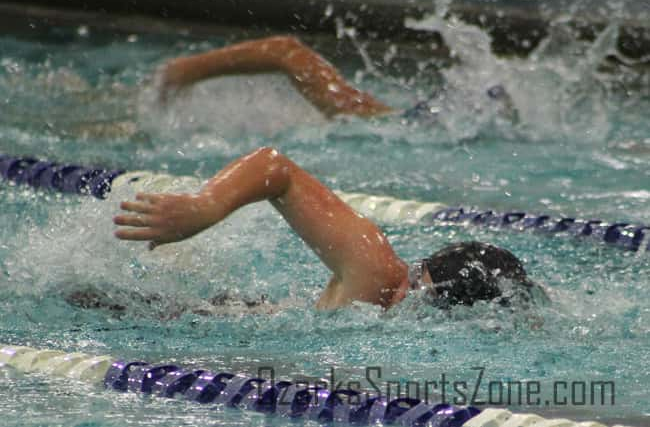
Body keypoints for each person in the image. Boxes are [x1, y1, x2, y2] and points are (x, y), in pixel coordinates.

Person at [114, 147, 545, 310]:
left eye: (419, 298)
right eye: (414, 279)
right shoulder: (378, 271)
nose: (401, 293)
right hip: (199, 317)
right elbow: (273, 167)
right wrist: (204, 207)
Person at [158, 35, 517, 122]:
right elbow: (284, 50)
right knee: (288, 52)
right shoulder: (374, 121)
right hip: (389, 123)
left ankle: (180, 72)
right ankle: (179, 71)